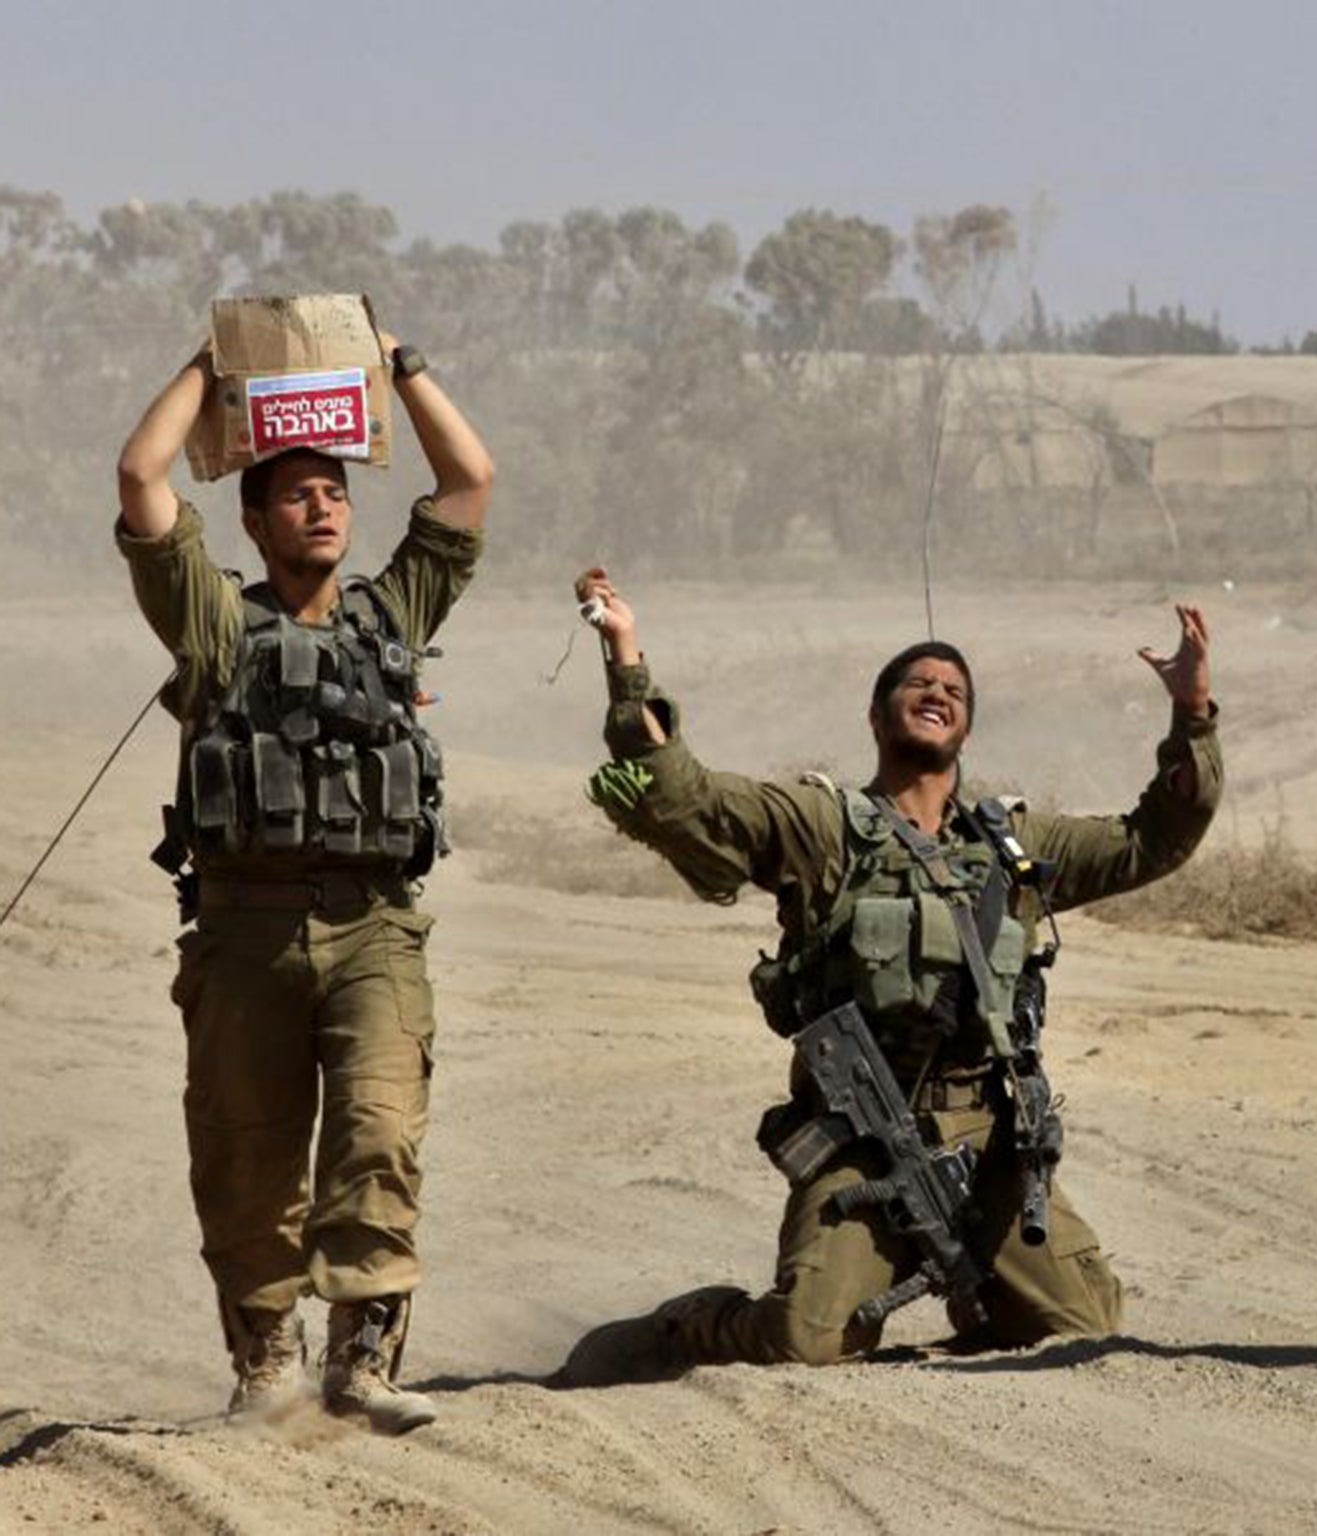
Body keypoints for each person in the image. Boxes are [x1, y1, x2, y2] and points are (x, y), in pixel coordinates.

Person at [558, 570, 1219, 1379]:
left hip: (987, 1141)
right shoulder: (823, 826)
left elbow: (1155, 840)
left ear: (966, 728)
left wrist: (1191, 714)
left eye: (955, 689)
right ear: (876, 715)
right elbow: (688, 799)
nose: (937, 691)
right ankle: (692, 1328)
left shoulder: (1012, 843)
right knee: (805, 1343)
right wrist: (624, 655)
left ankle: (978, 1297)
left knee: (1083, 1325)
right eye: (917, 682)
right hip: (863, 1138)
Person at [114, 330, 493, 1430]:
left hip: (375, 928)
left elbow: (468, 480)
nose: (322, 509)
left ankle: (363, 1353)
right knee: (245, 1157)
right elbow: (142, 477)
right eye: (296, 496)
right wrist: (210, 360)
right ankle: (264, 1355)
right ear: (253, 518)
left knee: (377, 1130)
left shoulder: (394, 615)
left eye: (335, 492)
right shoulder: (215, 624)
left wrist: (404, 362)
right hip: (243, 933)